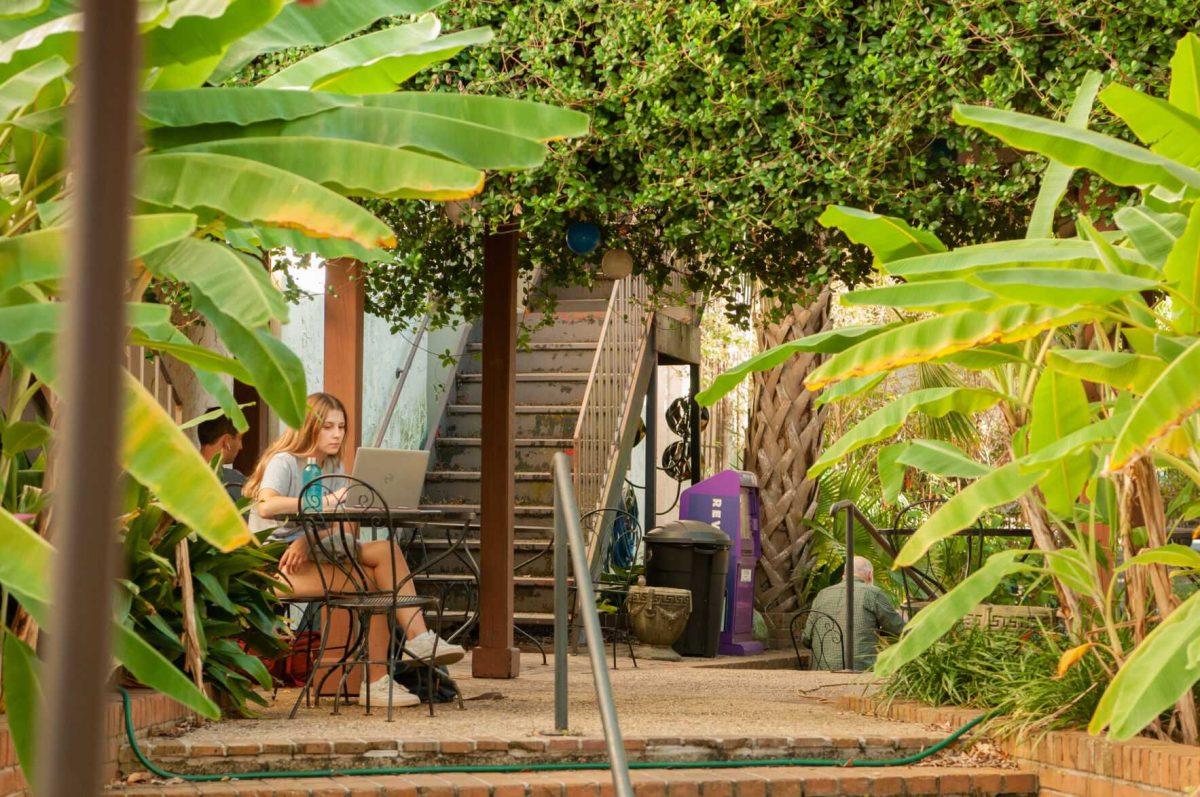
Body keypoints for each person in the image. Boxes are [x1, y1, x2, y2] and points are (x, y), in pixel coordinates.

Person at [244, 392, 464, 708]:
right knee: (373, 585)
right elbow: (267, 505)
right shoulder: (285, 461)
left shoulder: (332, 465)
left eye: (341, 427)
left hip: (311, 554)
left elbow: (336, 524)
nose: (337, 434)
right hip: (275, 566)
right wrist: (319, 506)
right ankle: (377, 681)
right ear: (309, 427)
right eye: (329, 427)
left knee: (387, 551)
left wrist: (306, 540)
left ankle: (419, 640)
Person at [804, 556, 904, 671]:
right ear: (870, 575)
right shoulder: (872, 593)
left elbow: (806, 638)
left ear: (843, 575)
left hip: (820, 668)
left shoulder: (822, 594)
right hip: (860, 669)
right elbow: (898, 629)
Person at [197, 408, 246, 503]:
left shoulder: (179, 475)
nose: (241, 446)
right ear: (226, 440)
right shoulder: (235, 482)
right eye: (240, 439)